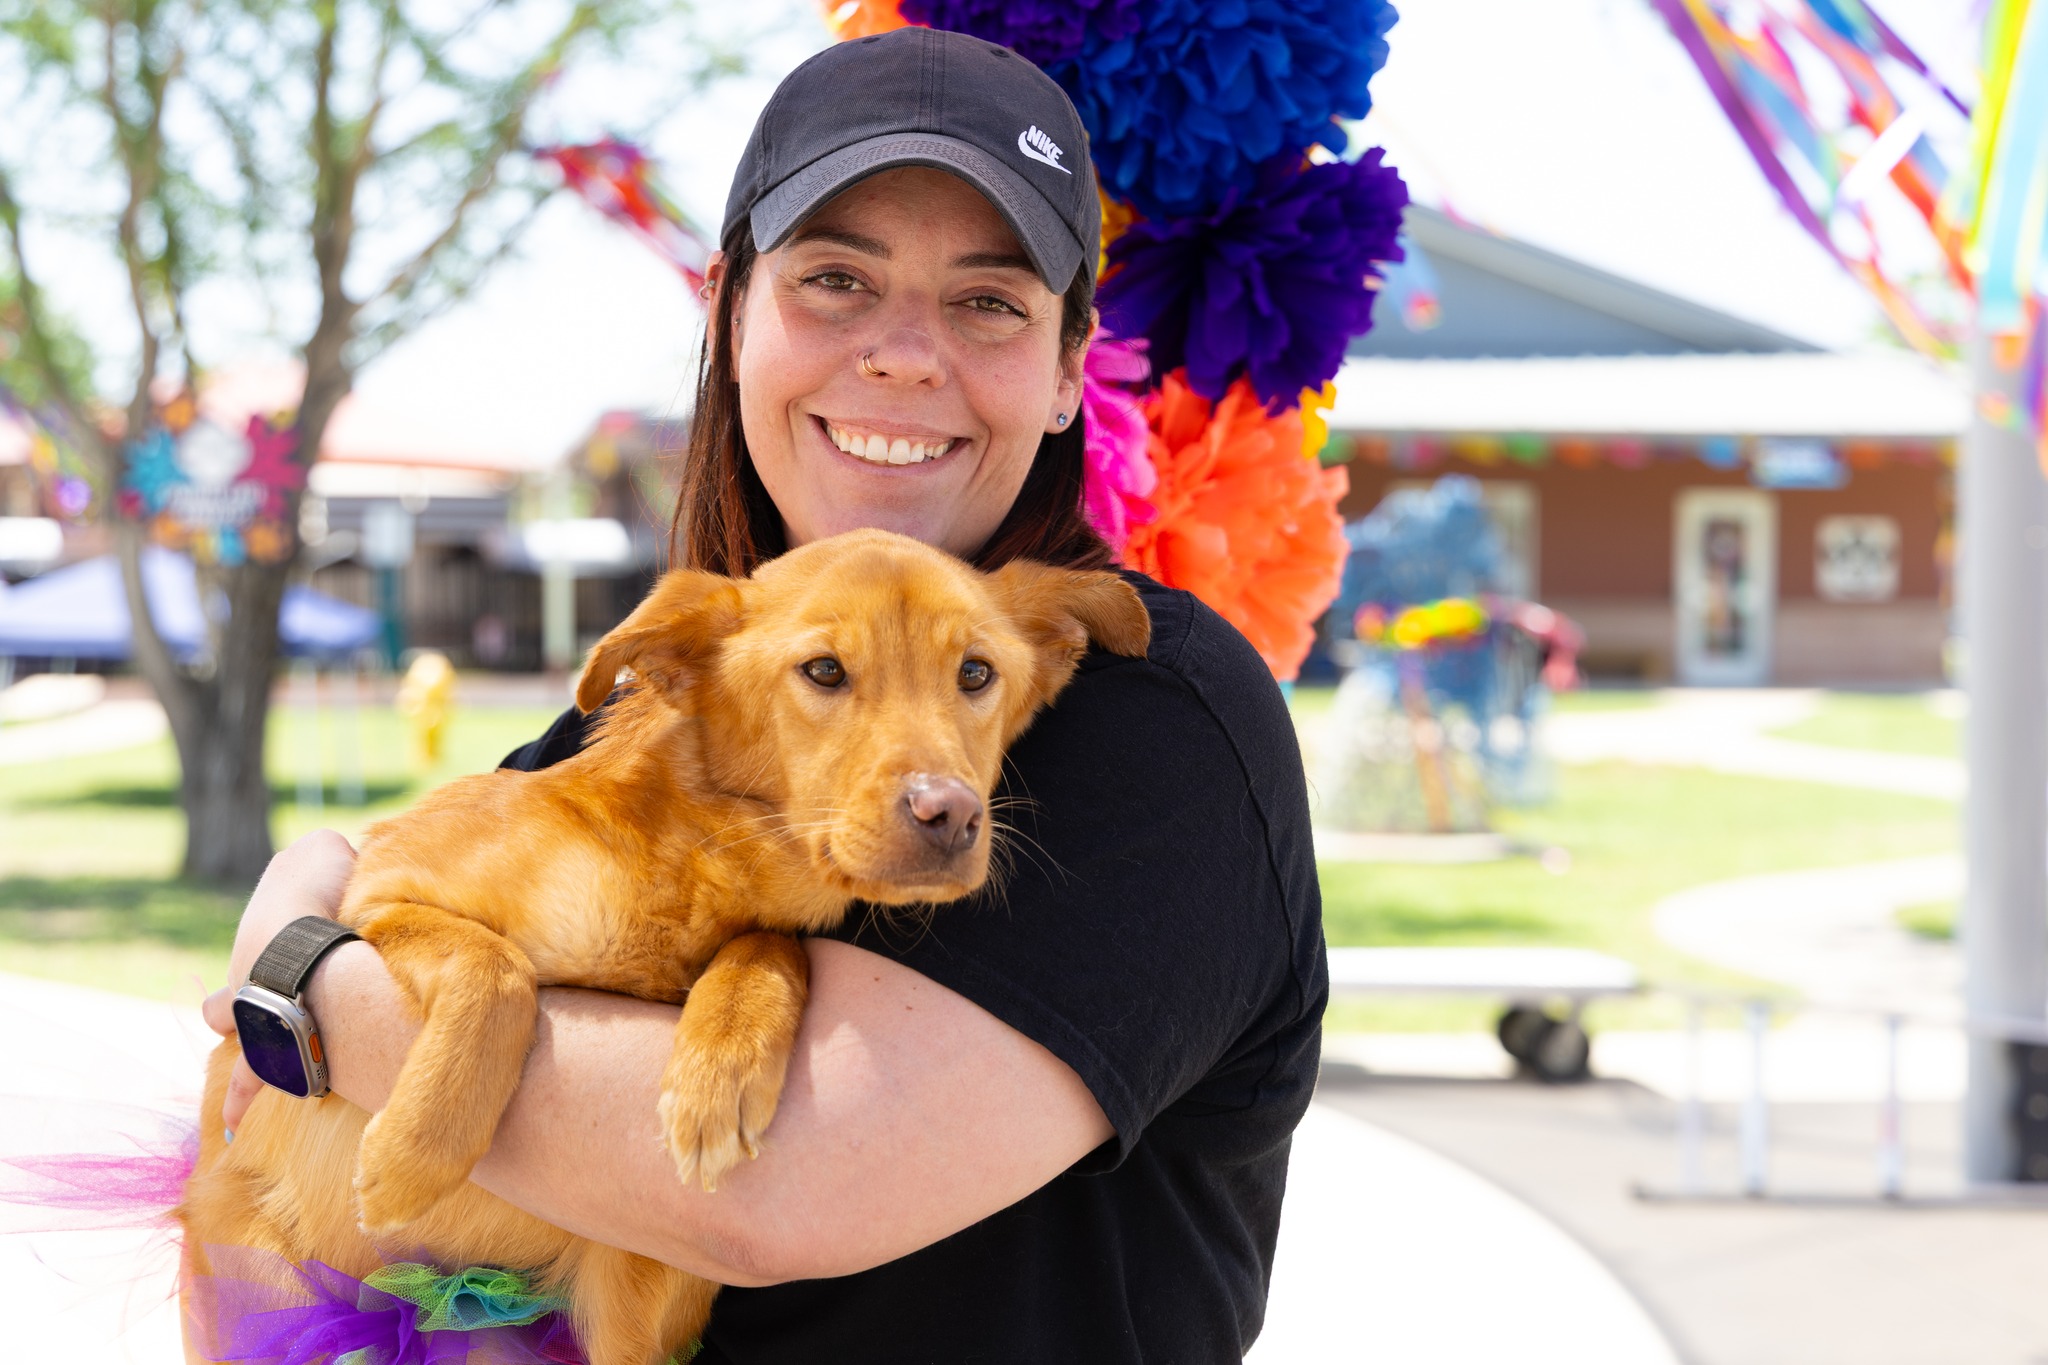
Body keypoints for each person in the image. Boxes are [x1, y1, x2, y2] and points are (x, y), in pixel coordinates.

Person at [203, 27, 1326, 1363]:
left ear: (1072, 361)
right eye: (836, 279)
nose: (904, 356)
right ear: (731, 312)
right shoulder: (663, 700)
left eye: (988, 302)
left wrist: (301, 978)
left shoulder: (1152, 715)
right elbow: (262, 1182)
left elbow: (765, 1191)